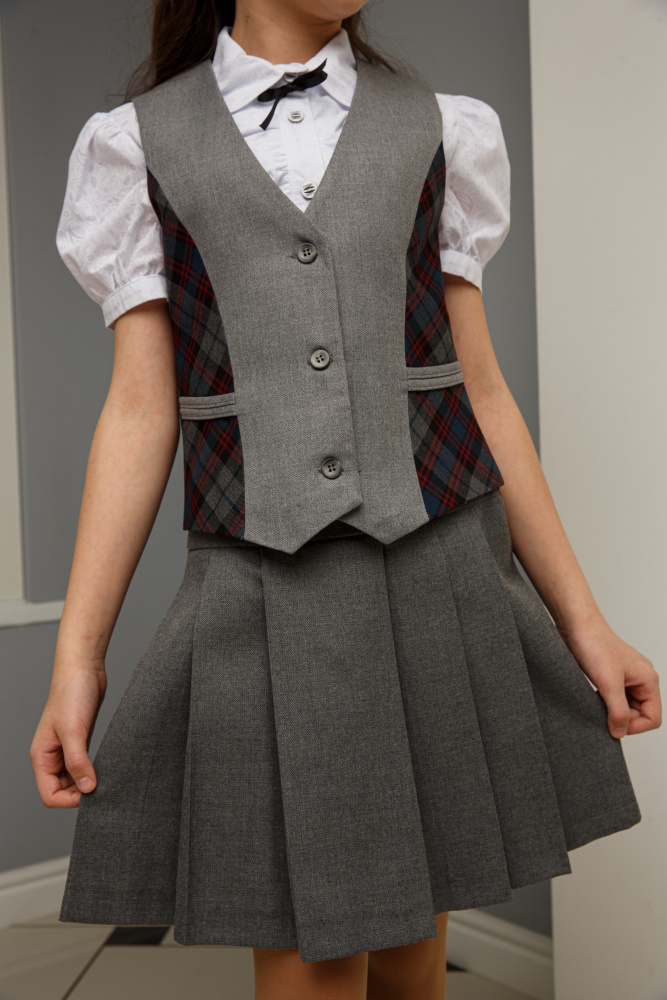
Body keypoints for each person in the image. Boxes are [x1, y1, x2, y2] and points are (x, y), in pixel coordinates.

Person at [30, 1, 661, 998]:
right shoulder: (136, 146)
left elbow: (478, 389)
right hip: (265, 591)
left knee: (414, 960)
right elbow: (141, 411)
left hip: (441, 573)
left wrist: (584, 625)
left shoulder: (440, 127)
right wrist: (78, 659)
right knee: (314, 961)